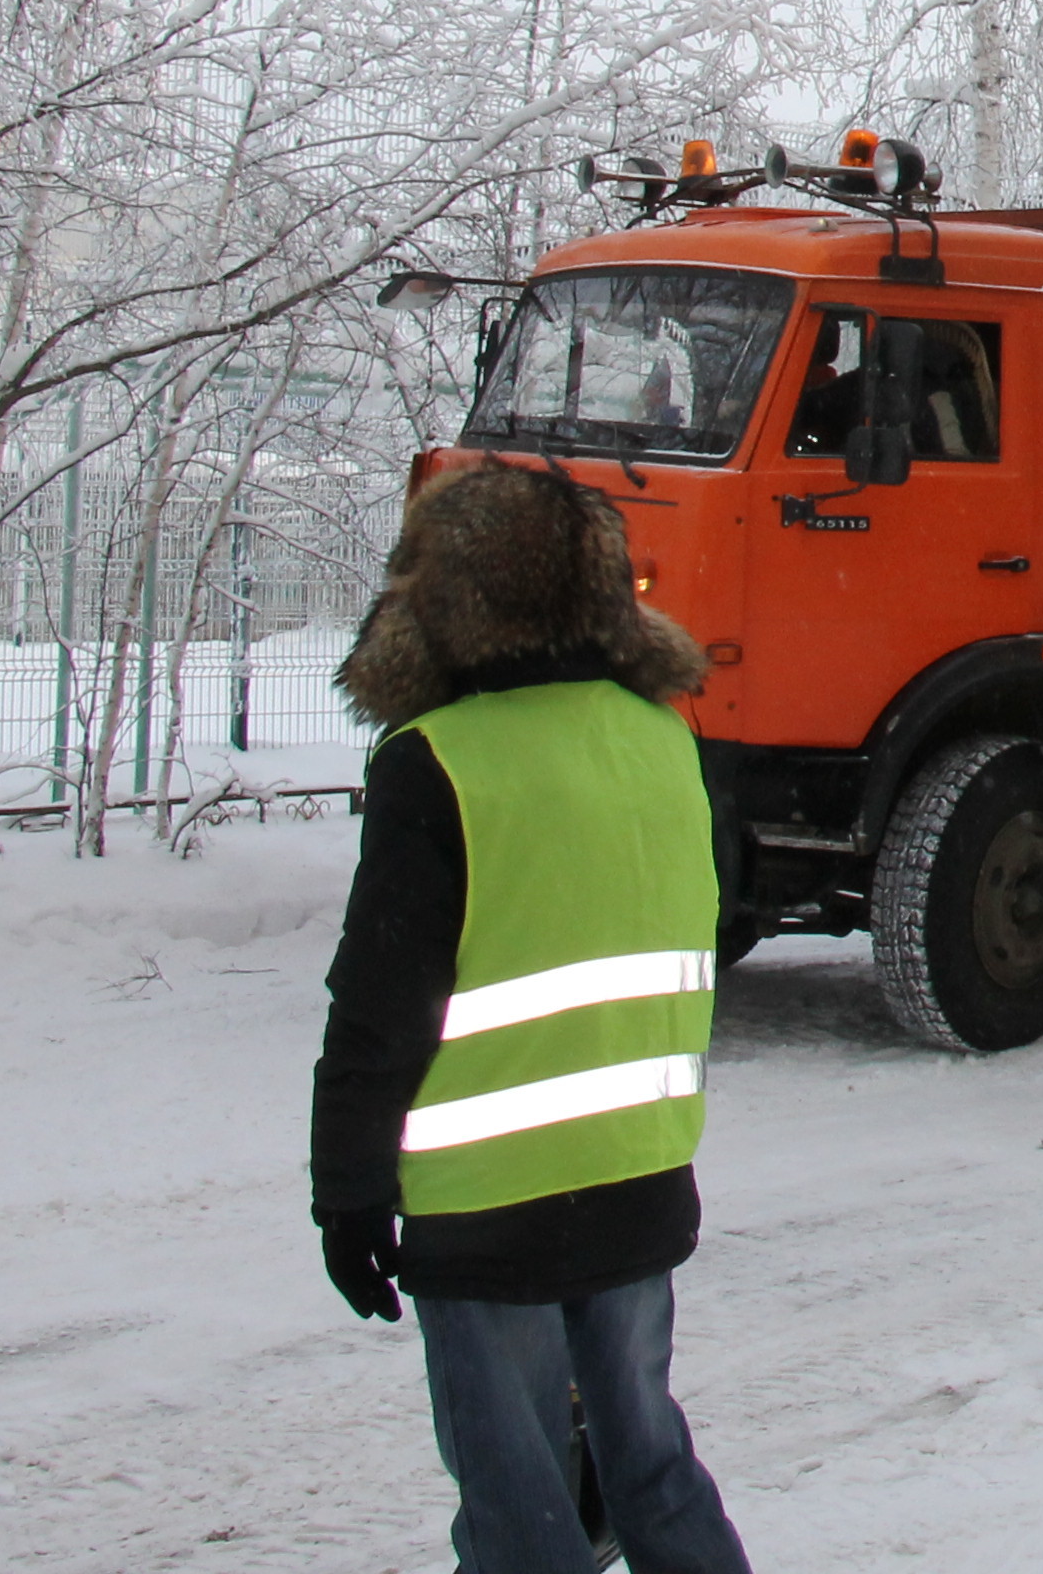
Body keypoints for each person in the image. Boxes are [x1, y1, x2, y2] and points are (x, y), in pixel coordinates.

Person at [315, 463, 755, 1574]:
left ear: (448, 600)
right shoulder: (664, 741)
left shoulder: (439, 765)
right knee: (649, 1467)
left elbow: (379, 1010)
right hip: (637, 1180)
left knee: (520, 1516)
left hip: (487, 1210)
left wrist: (352, 1194)